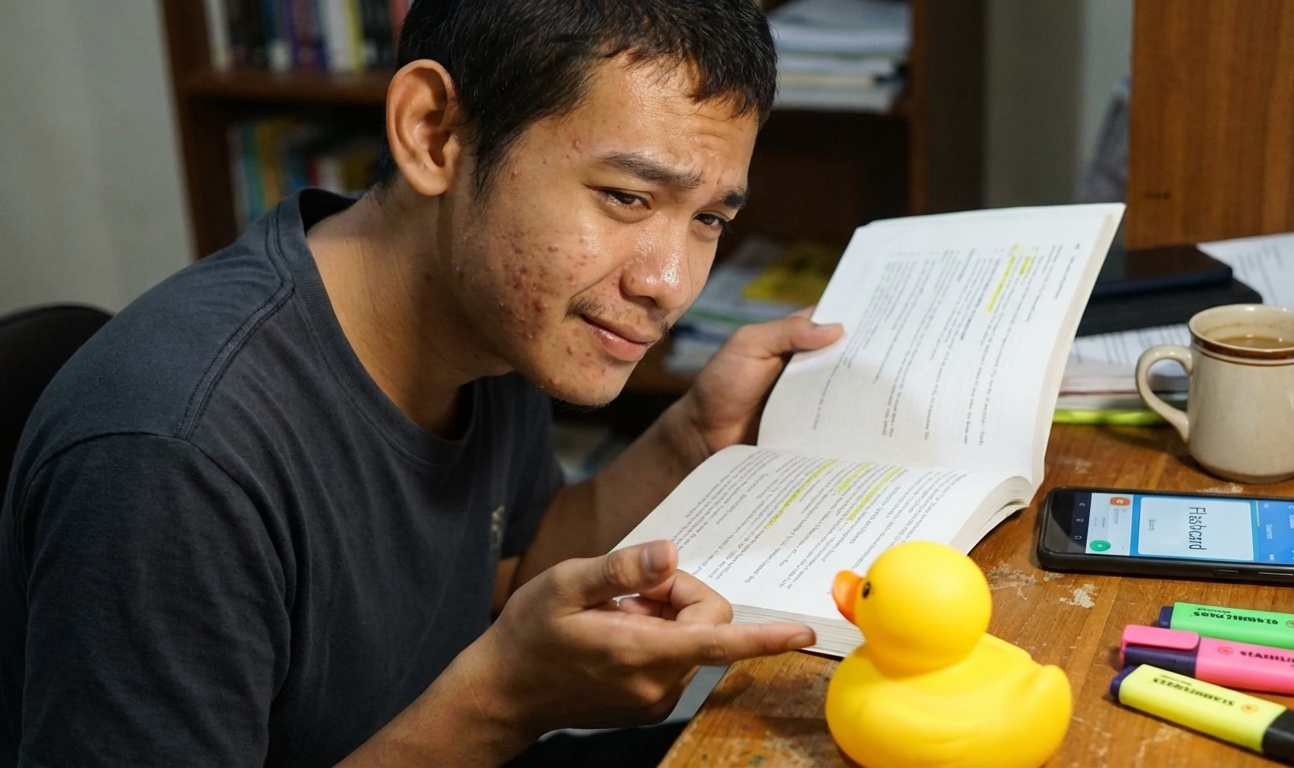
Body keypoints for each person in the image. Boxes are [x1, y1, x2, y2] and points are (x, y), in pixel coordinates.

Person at [0, 0, 845, 765]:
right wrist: (505, 705)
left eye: (707, 220)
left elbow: (504, 569)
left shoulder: (493, 306)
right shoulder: (173, 457)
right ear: (434, 132)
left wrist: (691, 440)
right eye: (626, 197)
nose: (670, 280)